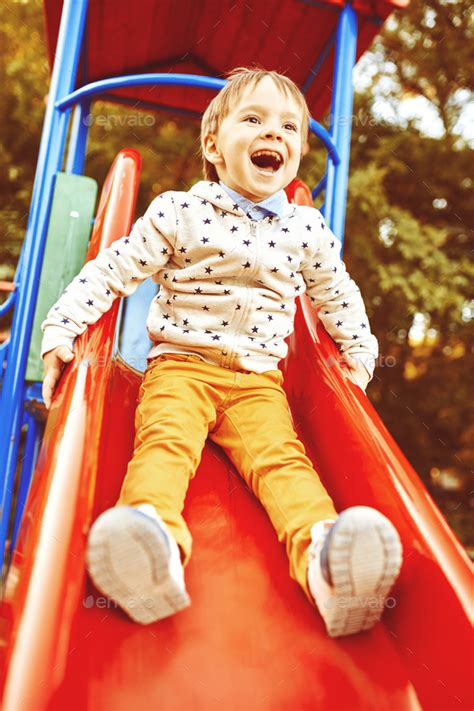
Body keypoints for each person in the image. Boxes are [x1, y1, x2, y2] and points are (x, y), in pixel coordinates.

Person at [41, 67, 402, 637]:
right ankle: (150, 542)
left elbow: (337, 293)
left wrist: (359, 349)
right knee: (165, 443)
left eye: (289, 127)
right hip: (180, 368)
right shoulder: (178, 212)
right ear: (214, 144)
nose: (273, 134)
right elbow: (113, 271)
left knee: (284, 463)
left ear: (299, 153)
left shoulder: (306, 231)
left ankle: (328, 566)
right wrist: (61, 330)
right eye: (253, 120)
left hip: (259, 382)